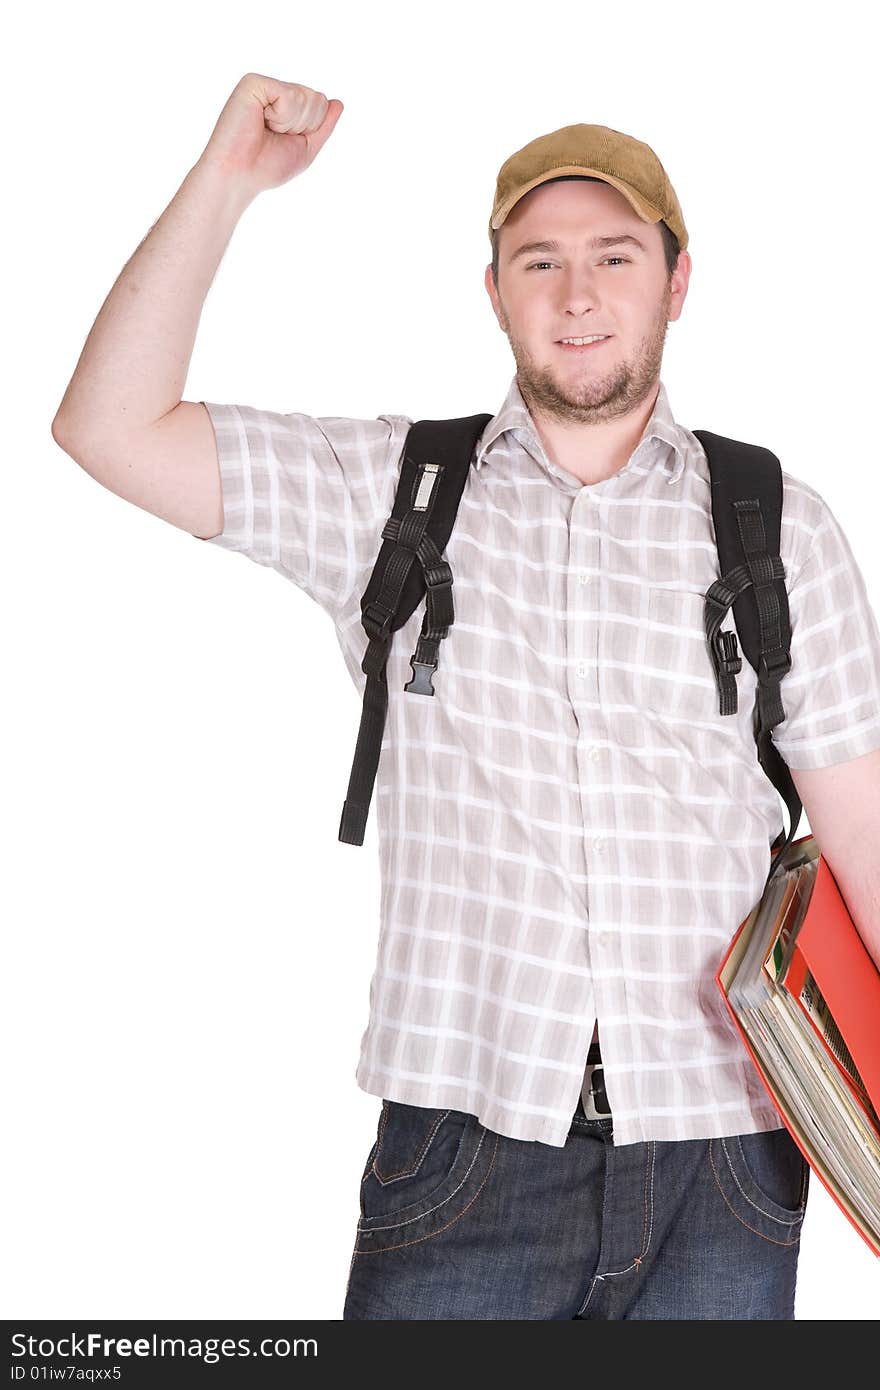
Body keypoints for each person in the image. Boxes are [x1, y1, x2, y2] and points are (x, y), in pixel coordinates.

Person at [51, 75, 880, 1320]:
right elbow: (108, 426)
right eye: (537, 261)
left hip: (728, 1153)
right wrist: (225, 179)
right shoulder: (394, 492)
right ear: (493, 290)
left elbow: (862, 841)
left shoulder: (775, 524)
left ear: (677, 277)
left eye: (614, 254)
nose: (579, 293)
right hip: (462, 1153)